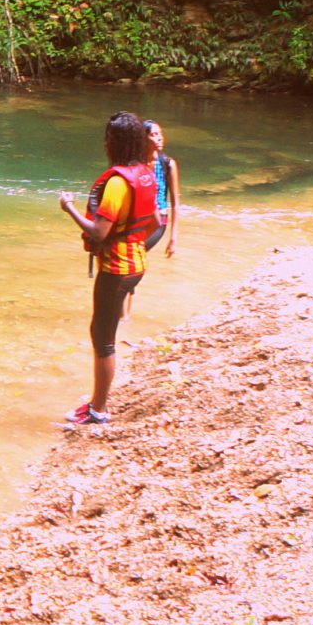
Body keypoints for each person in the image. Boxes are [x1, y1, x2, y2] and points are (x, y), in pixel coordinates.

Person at [55, 111, 161, 427]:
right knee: (106, 332)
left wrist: (69, 207)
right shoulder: (144, 173)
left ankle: (98, 410)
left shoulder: (117, 183)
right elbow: (155, 221)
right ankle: (98, 403)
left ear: (113, 143)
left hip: (116, 270)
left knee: (102, 338)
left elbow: (99, 232)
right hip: (136, 264)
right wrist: (133, 243)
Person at [143, 121, 179, 259]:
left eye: (160, 133)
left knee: (135, 254)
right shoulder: (137, 163)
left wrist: (173, 238)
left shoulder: (168, 163)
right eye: (154, 134)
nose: (159, 137)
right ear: (143, 139)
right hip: (138, 219)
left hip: (159, 220)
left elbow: (175, 203)